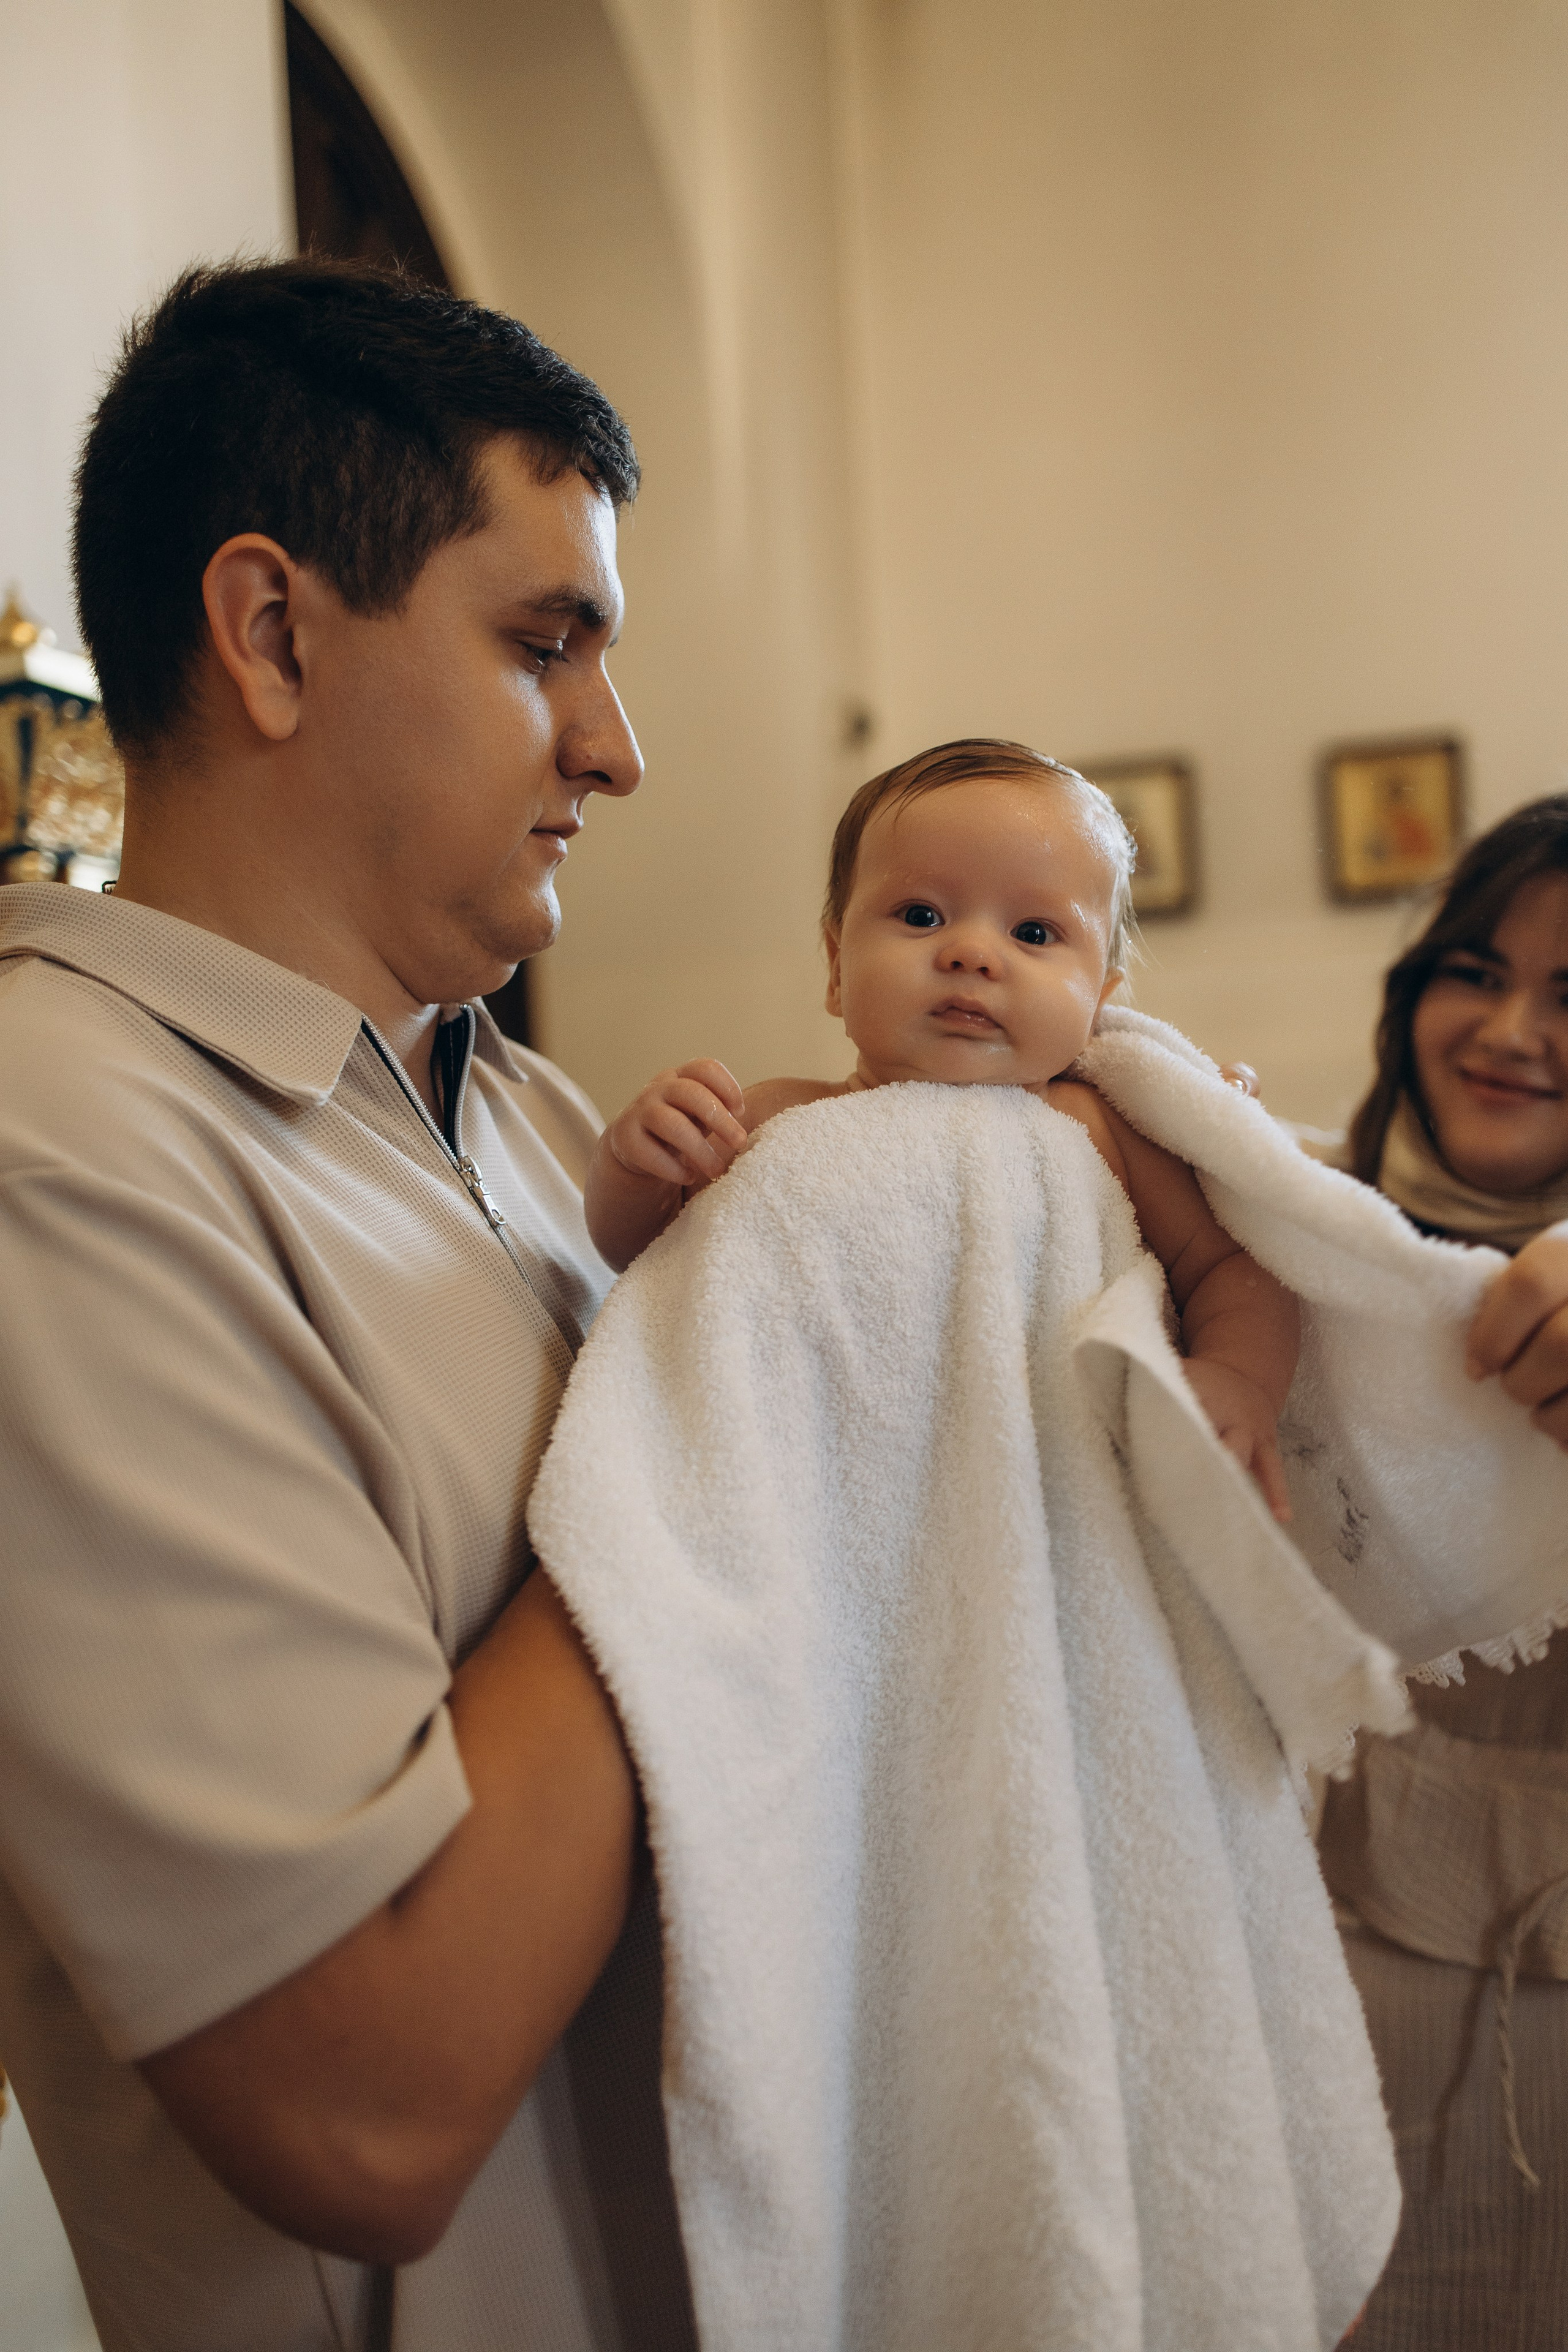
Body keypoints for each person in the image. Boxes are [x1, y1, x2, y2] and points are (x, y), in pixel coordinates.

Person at [0, 258, 698, 2350]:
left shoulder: (530, 1109)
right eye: (544, 641)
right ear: (275, 633)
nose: (619, 745)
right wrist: (722, 1395)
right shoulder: (61, 1160)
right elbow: (363, 2112)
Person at [586, 737, 1300, 1519]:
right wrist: (638, 1163)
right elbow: (645, 1256)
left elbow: (1230, 1268)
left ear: (1099, 1000)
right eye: (921, 916)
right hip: (838, 1491)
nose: (969, 953)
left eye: (1033, 933)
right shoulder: (779, 1117)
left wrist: (1238, 1379)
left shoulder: (1099, 1128)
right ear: (834, 965)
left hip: (1055, 1486)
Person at [1310, 794, 1568, 2350]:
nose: (1505, 1029)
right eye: (1471, 966)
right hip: (1312, 2001)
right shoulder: (1292, 1250)